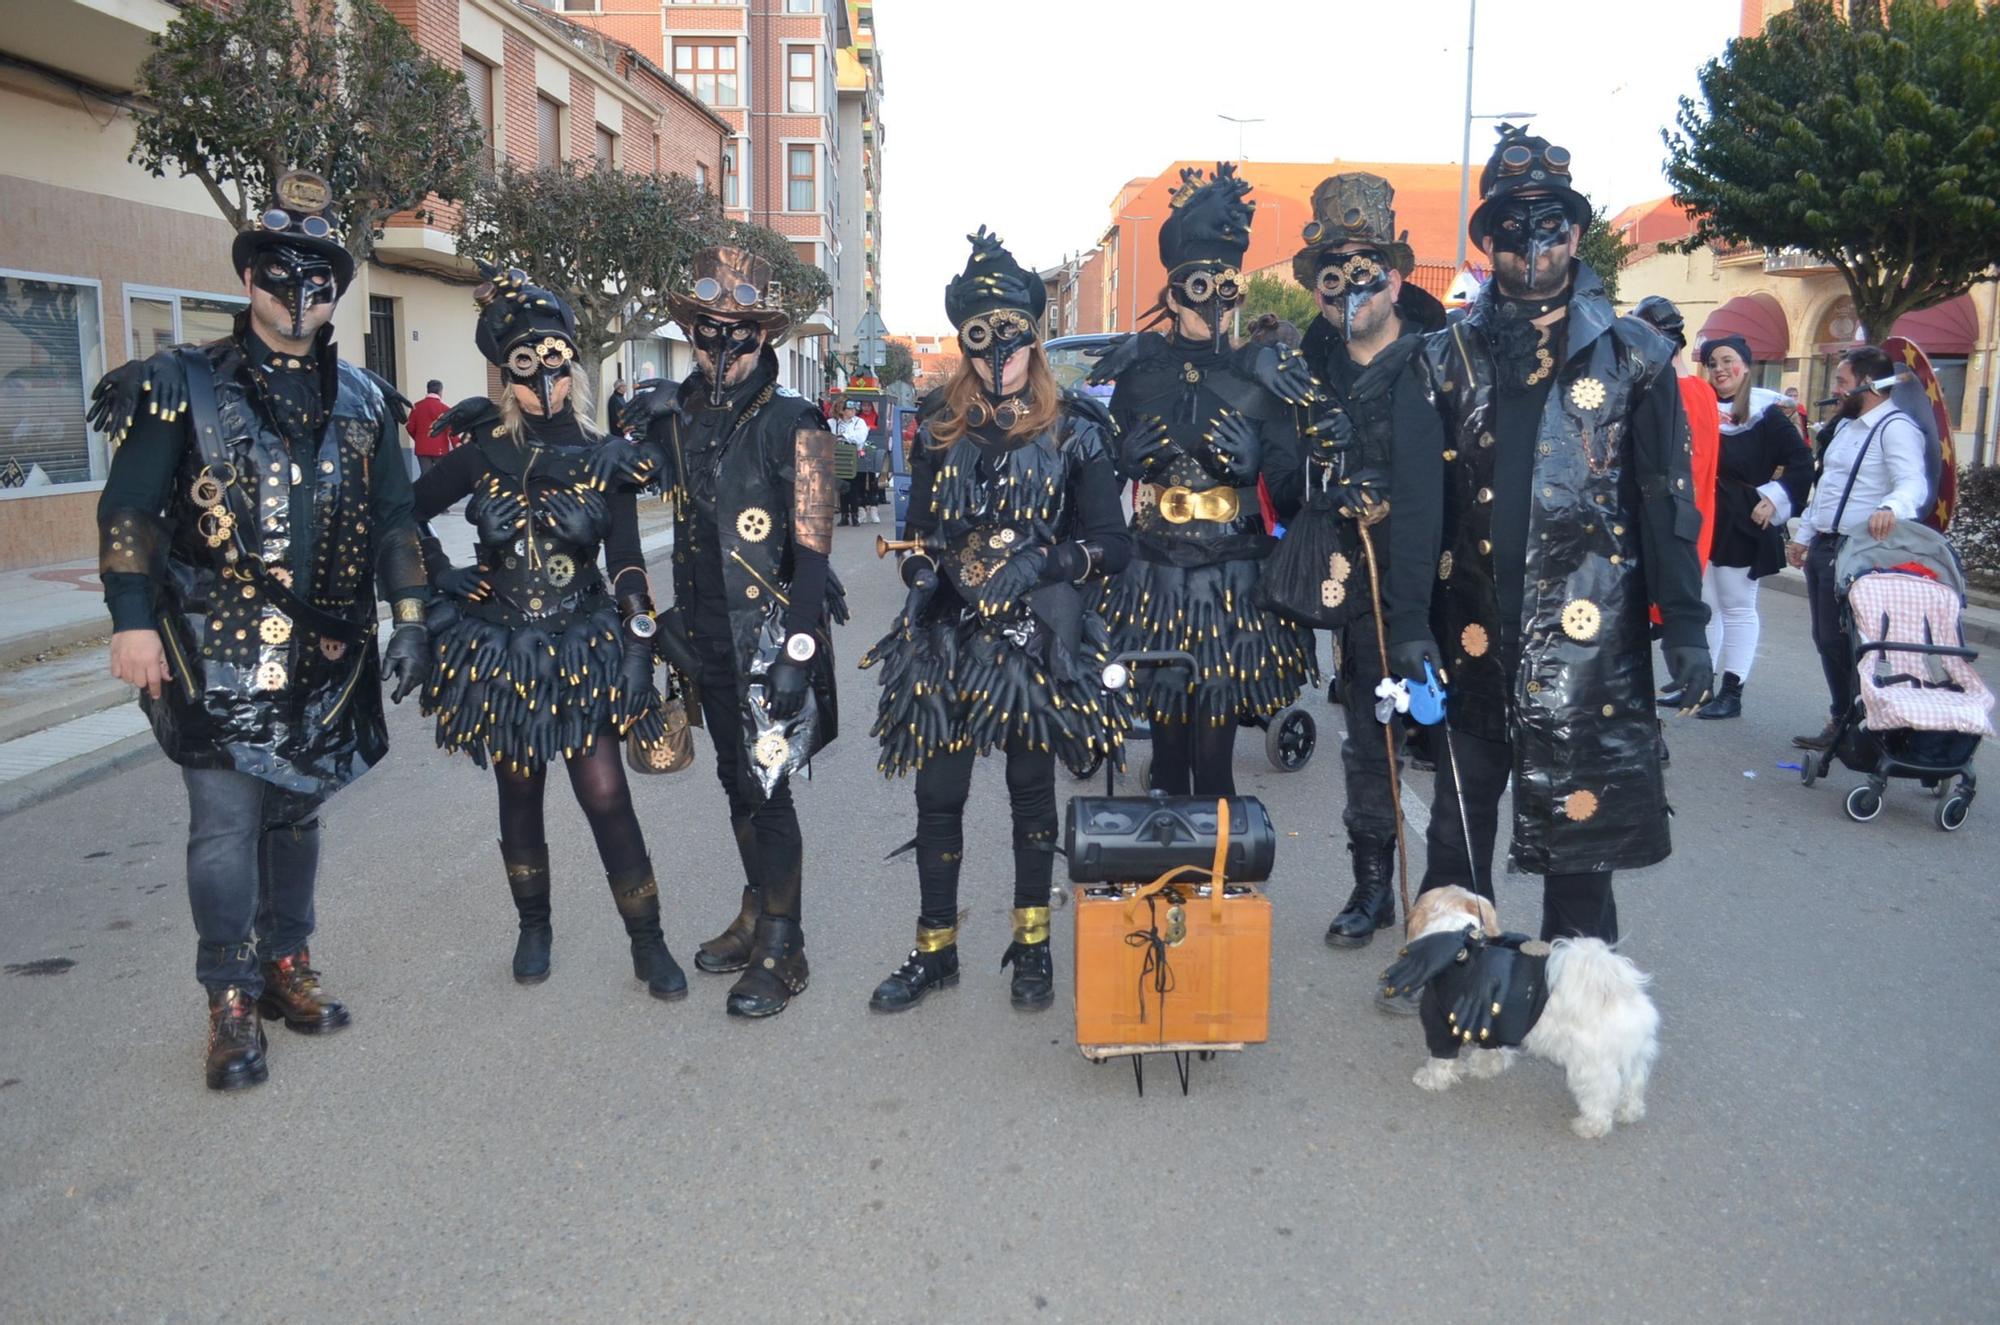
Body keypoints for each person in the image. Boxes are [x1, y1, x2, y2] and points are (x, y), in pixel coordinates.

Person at [87, 171, 432, 1091]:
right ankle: (229, 996)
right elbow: (131, 513)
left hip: (326, 652)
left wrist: (409, 618)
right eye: (281, 277)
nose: (299, 297)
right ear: (248, 281)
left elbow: (397, 520)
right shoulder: (179, 384)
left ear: (335, 294)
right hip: (214, 643)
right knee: (225, 823)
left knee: (299, 811)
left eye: (318, 282)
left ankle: (286, 964)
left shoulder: (365, 400)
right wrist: (131, 622)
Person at [1386, 126, 1710, 951]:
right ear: (1488, 239)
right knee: (1459, 831)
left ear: (1576, 231)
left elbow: (1665, 499)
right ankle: (1456, 995)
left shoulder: (1635, 355)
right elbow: (1419, 508)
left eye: (1552, 221)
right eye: (1514, 223)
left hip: (1591, 649)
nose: (1535, 241)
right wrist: (1411, 627)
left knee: (1582, 847)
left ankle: (1579, 1006)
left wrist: (1687, 625)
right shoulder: (1441, 357)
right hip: (1472, 633)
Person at [860, 228, 1132, 1013]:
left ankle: (1033, 945)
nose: (995, 347)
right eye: (978, 332)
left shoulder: (1076, 427)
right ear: (965, 341)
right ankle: (934, 948)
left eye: (1009, 327)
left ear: (1033, 332)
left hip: (1032, 638)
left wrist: (1048, 564)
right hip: (949, 634)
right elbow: (918, 534)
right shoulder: (939, 424)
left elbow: (1112, 542)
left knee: (1029, 792)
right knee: (937, 794)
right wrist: (919, 575)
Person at [413, 264, 684, 1002]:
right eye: (525, 362)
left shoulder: (606, 457)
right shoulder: (483, 453)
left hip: (581, 644)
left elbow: (627, 563)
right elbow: (399, 513)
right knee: (518, 790)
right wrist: (440, 572)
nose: (543, 375)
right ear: (506, 373)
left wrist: (639, 643)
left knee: (605, 793)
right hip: (503, 644)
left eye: (554, 356)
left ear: (572, 361)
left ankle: (648, 941)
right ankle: (534, 928)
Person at [595, 246, 842, 1019]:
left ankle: (785, 942)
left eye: (739, 333)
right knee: (733, 782)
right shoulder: (674, 416)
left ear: (764, 338)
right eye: (708, 332)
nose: (722, 349)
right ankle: (755, 907)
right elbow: (621, 502)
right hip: (702, 638)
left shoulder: (798, 425)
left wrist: (799, 654)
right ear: (692, 332)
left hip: (773, 645)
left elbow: (813, 553)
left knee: (767, 791)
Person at [1090, 163, 1312, 797]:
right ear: (1174, 291)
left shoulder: (1260, 371)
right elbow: (1096, 480)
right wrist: (1123, 458)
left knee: (1214, 746)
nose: (1212, 300)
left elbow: (1293, 488)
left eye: (1226, 286)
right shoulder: (1138, 371)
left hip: (1230, 575)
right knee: (1166, 742)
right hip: (1154, 571)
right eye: (1198, 285)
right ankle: (1166, 863)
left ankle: (1218, 870)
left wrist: (1253, 470)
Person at [1287, 172, 1449, 952]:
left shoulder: (1442, 363)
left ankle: (1452, 896)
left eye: (1366, 267)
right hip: (1354, 584)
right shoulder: (1308, 370)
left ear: (1395, 275)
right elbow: (1280, 477)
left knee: (1450, 738)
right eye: (1334, 269)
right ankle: (1373, 887)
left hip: (1443, 583)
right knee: (1368, 736)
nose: (1351, 284)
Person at [1785, 344, 1930, 750]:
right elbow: (1828, 489)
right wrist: (1803, 536)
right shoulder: (1848, 427)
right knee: (1826, 638)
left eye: (1842, 382)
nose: (1835, 390)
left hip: (1861, 552)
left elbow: (1913, 483)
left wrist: (1891, 506)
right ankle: (1847, 717)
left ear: (1869, 384)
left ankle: (1861, 723)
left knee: (1846, 641)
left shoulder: (1894, 427)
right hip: (1827, 548)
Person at [1682, 335, 1813, 720]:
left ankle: (1732, 692)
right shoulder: (1701, 406)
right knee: (1706, 606)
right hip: (1705, 517)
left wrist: (1774, 498)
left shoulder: (1765, 412)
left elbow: (1802, 462)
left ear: (1745, 364)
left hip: (1743, 519)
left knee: (1737, 606)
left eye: (1727, 360)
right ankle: (1700, 686)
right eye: (1711, 363)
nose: (1719, 369)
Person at [407, 379, 458, 477]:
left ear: (428, 390)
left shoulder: (417, 407)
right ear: (440, 391)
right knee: (440, 476)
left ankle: (421, 492)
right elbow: (451, 431)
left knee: (425, 476)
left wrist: (418, 438)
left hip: (422, 447)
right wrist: (457, 445)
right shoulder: (445, 409)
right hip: (440, 448)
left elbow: (410, 427)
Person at [833, 405, 862, 525]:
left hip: (853, 456)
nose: (853, 411)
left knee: (854, 487)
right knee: (842, 487)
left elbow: (859, 438)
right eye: (850, 409)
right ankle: (844, 516)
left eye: (854, 409)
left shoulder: (859, 422)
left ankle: (855, 515)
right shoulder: (833, 423)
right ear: (842, 410)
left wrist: (843, 436)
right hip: (838, 456)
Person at [607, 373, 629, 438]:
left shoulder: (620, 397)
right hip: (618, 432)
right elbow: (616, 417)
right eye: (624, 386)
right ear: (619, 388)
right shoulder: (614, 399)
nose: (626, 387)